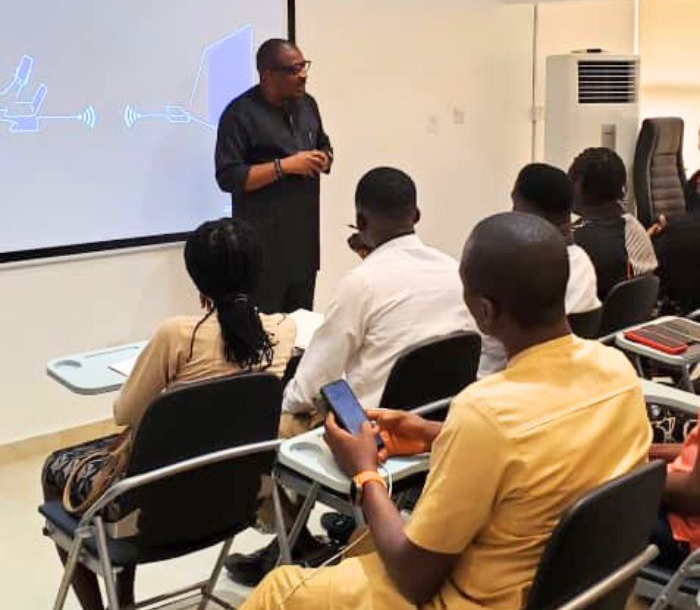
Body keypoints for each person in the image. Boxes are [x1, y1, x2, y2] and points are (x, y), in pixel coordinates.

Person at [240, 212, 651, 610]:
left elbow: (412, 577)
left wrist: (364, 471)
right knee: (360, 546)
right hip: (572, 591)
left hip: (468, 599)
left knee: (280, 589)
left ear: (485, 311)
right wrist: (434, 434)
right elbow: (545, 446)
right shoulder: (617, 371)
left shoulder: (486, 412)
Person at [227, 166, 476, 585]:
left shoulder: (362, 283)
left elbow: (311, 385)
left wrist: (283, 402)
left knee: (267, 430)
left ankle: (289, 543)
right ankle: (310, 537)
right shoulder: (454, 270)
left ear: (360, 222)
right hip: (435, 426)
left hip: (372, 437)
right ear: (416, 216)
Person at [41, 217, 296, 610]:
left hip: (157, 509)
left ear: (196, 277)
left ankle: (110, 605)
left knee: (54, 468)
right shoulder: (283, 331)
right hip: (237, 498)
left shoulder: (177, 334)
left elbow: (124, 413)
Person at [215, 38, 333, 314]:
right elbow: (229, 177)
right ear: (267, 75)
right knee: (263, 332)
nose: (302, 75)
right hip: (261, 253)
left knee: (300, 329)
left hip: (303, 248)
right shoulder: (239, 114)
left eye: (303, 66)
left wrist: (324, 158)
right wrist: (285, 166)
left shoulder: (308, 105)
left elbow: (324, 144)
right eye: (293, 69)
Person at [477, 162, 600, 377]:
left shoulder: (520, 274)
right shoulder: (583, 262)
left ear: (526, 211)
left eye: (515, 205)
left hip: (506, 384)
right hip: (567, 377)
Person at [569, 147, 657, 300]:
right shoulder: (632, 226)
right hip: (632, 313)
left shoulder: (576, 243)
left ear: (578, 186)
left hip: (594, 314)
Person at [649, 425, 700, 569]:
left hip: (687, 537)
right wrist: (644, 451)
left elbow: (695, 495)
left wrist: (626, 474)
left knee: (602, 511)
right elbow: (693, 451)